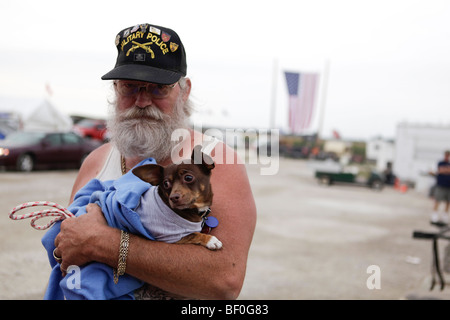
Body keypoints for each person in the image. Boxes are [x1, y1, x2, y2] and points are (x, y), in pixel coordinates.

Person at [52, 23, 256, 300]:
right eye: (129, 87)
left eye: (158, 89)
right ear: (115, 89)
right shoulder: (96, 163)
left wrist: (105, 243)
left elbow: (224, 280)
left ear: (184, 92)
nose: (142, 100)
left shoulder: (216, 161)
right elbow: (67, 250)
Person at [431, 150, 450, 224]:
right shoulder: (440, 163)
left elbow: (443, 170)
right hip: (441, 185)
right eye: (446, 155)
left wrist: (444, 170)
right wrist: (446, 170)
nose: (447, 156)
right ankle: (434, 215)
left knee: (448, 201)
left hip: (449, 186)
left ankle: (445, 215)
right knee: (437, 200)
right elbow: (440, 170)